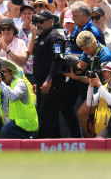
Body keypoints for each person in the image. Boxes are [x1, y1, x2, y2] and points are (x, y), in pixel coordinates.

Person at [29, 9, 66, 138]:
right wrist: (36, 81)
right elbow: (37, 59)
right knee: (44, 114)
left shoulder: (55, 37)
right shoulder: (42, 36)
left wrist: (49, 79)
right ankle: (54, 144)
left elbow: (58, 59)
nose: (38, 24)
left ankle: (44, 144)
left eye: (41, 21)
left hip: (52, 83)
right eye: (36, 21)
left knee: (47, 115)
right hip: (41, 82)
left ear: (51, 21)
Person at [0, 59, 39, 138]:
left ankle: (29, 142)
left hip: (26, 123)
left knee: (6, 130)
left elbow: (13, 97)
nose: (1, 75)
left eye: (3, 72)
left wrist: (0, 83)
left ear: (11, 73)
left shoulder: (20, 83)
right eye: (0, 73)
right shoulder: (1, 86)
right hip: (12, 124)